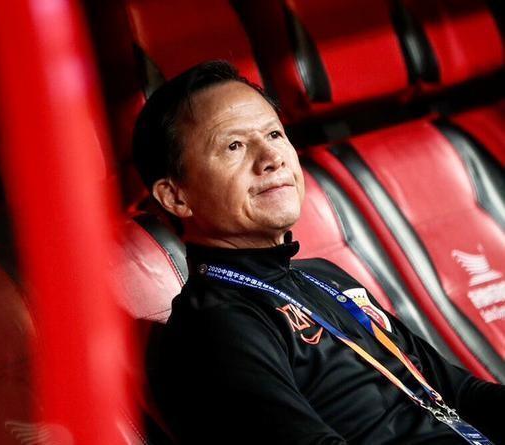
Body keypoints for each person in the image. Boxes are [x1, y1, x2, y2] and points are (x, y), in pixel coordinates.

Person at [132, 60, 505, 444]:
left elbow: (458, 392)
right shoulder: (213, 326)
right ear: (176, 196)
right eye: (234, 146)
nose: (272, 158)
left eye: (274, 134)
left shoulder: (323, 276)